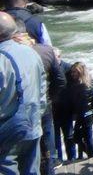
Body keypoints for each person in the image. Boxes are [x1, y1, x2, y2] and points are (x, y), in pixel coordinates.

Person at [12, 20, 65, 174]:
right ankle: (49, 170)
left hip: (16, 109)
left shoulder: (6, 55)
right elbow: (60, 80)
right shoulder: (46, 51)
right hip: (43, 104)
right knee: (46, 141)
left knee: (19, 149)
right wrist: (50, 98)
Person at [0, 11, 47, 175]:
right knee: (32, 170)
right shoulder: (31, 52)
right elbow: (42, 87)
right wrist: (38, 113)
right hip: (32, 121)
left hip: (8, 127)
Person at [59, 62, 93, 159]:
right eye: (72, 72)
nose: (73, 74)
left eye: (75, 72)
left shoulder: (80, 86)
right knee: (85, 136)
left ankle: (91, 156)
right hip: (88, 113)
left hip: (84, 114)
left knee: (84, 137)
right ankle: (90, 155)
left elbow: (79, 102)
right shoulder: (89, 83)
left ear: (81, 72)